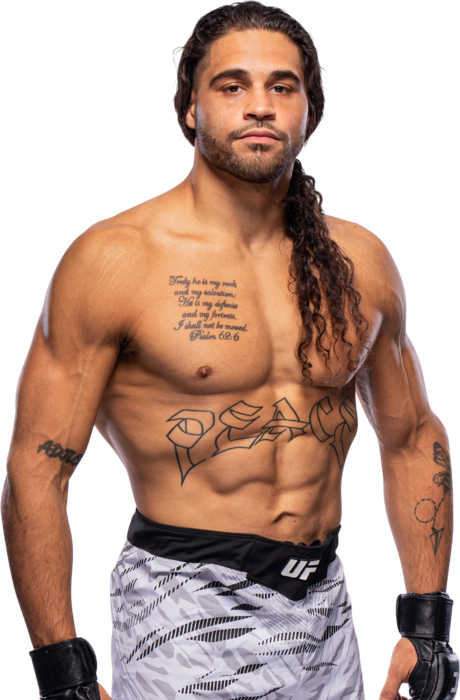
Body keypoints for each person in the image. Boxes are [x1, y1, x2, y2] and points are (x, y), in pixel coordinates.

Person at [1, 1, 457, 699]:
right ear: (191, 107)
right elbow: (37, 467)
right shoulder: (116, 260)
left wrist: (426, 626)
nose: (260, 106)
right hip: (183, 605)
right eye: (232, 85)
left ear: (310, 110)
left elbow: (413, 437)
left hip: (326, 609)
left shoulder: (359, 261)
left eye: (282, 86)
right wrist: (61, 668)